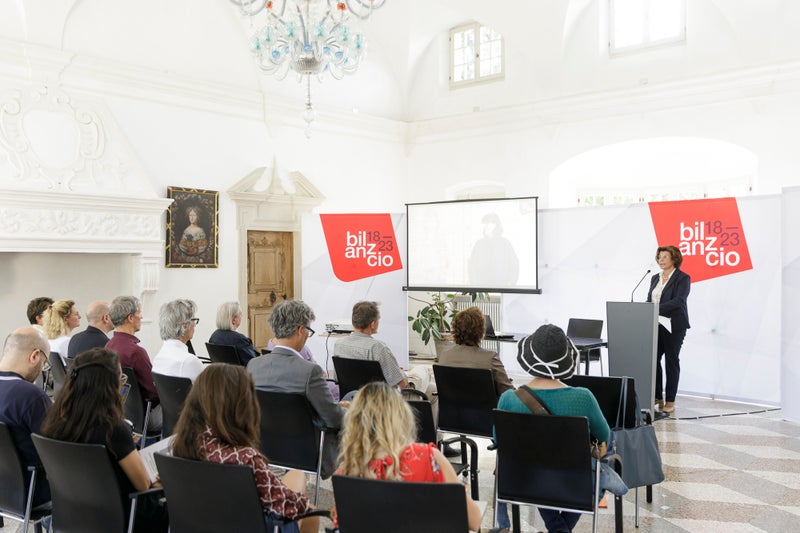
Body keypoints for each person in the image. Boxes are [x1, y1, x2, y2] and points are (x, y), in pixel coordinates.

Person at [495, 324, 627, 533]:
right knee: (603, 450)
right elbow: (604, 435)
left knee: (540, 460)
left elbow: (498, 441)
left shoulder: (508, 399)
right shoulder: (583, 397)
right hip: (574, 484)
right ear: (566, 359)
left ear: (530, 357)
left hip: (523, 482)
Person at [171, 364, 318, 533]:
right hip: (249, 525)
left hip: (203, 520)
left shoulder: (182, 445)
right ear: (241, 405)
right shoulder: (246, 458)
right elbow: (290, 506)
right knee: (310, 510)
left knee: (295, 475)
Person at [40, 348, 168, 532]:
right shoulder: (113, 429)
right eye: (121, 379)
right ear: (109, 386)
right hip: (124, 518)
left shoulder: (55, 422)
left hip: (73, 515)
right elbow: (143, 485)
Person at [335, 381, 482, 532]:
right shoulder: (429, 458)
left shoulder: (348, 472)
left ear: (355, 422)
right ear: (400, 416)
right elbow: (474, 521)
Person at [247, 300, 346, 478]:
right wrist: (352, 410)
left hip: (264, 446)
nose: (308, 336)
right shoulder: (310, 372)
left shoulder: (253, 366)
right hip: (306, 452)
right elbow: (334, 419)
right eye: (308, 331)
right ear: (300, 330)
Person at [0, 327, 52, 506]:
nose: (42, 369)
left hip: (6, 490)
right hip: (31, 492)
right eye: (44, 363)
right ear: (35, 356)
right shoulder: (31, 395)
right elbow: (56, 447)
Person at [106, 296, 162, 432]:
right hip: (144, 417)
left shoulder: (108, 346)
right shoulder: (136, 352)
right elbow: (153, 393)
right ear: (130, 318)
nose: (141, 317)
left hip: (119, 413)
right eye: (139, 312)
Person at [647, 245, 691, 414]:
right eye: (659, 257)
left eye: (665, 257)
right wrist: (645, 309)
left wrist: (655, 308)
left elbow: (679, 301)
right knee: (653, 360)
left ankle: (670, 400)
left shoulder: (683, 278)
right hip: (655, 324)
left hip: (674, 325)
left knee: (671, 361)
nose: (661, 260)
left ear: (674, 259)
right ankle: (658, 396)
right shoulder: (655, 278)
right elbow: (649, 299)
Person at [437, 306, 514, 397]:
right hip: (486, 406)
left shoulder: (444, 355)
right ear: (481, 332)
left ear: (455, 330)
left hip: (451, 406)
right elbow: (508, 392)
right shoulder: (490, 358)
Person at [333, 301, 408, 390]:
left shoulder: (339, 344)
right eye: (378, 319)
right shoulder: (378, 347)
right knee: (415, 377)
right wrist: (401, 374)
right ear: (372, 324)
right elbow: (401, 384)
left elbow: (336, 378)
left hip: (350, 397)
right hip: (378, 397)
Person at [152, 299, 205, 382]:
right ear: (184, 326)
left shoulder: (158, 358)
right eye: (194, 320)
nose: (195, 325)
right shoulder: (190, 361)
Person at [468, 212, 519, 287]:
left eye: (489, 223)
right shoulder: (479, 244)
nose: (486, 226)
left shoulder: (505, 243)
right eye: (484, 223)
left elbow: (514, 264)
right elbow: (472, 266)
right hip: (482, 288)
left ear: (496, 225)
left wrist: (511, 283)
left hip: (501, 287)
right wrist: (474, 284)